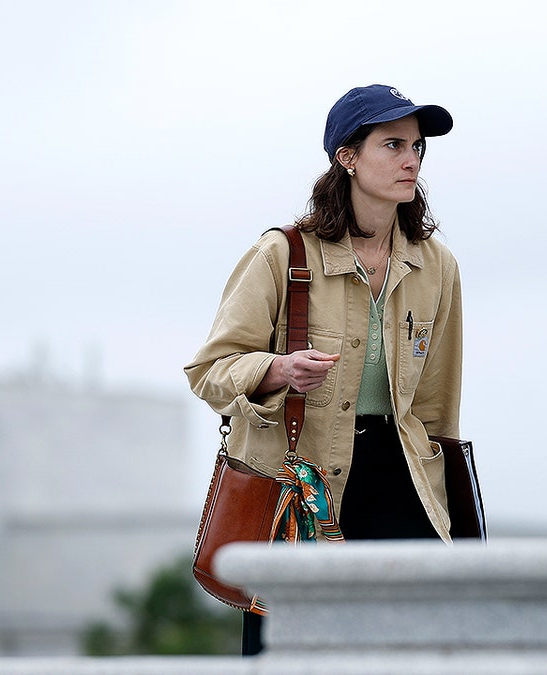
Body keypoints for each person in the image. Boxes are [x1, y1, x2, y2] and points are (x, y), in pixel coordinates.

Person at [183, 84, 462, 655]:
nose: (412, 159)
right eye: (392, 145)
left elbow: (436, 406)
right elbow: (210, 369)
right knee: (290, 649)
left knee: (413, 650)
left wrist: (448, 504)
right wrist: (277, 370)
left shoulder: (437, 265)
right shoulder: (282, 254)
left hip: (402, 478)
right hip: (300, 482)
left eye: (417, 147)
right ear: (348, 158)